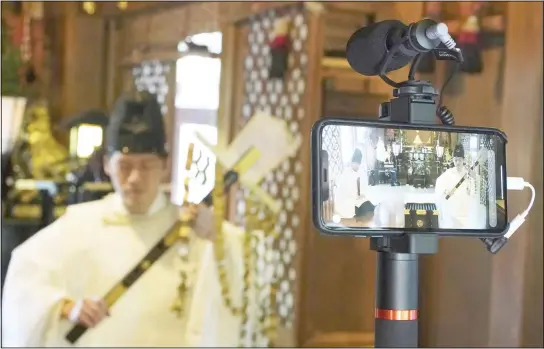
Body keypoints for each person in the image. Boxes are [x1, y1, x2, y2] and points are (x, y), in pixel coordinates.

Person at [2, 92, 252, 346]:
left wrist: (216, 236)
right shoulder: (80, 223)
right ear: (107, 165)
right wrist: (66, 307)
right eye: (124, 166)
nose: (134, 178)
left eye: (146, 166)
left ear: (165, 165)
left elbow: (247, 269)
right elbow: (25, 279)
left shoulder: (191, 227)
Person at [434, 144, 478, 229]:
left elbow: (472, 192)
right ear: (453, 160)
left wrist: (474, 179)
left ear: (463, 160)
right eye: (455, 160)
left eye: (460, 160)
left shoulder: (468, 174)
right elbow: (439, 186)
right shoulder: (448, 173)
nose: (457, 162)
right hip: (452, 211)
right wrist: (445, 193)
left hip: (464, 210)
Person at [333, 148, 367, 219]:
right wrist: (356, 196)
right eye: (356, 164)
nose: (357, 166)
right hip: (346, 199)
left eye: (358, 164)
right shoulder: (346, 173)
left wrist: (362, 194)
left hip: (356, 198)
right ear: (352, 163)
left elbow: (363, 186)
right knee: (352, 208)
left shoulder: (360, 171)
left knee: (366, 204)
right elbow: (344, 190)